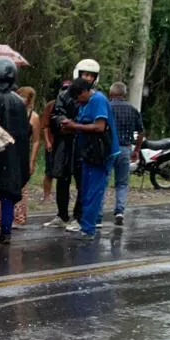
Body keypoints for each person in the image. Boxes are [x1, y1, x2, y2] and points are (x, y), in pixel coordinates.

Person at [59, 76, 119, 239]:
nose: (77, 102)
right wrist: (70, 126)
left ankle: (88, 228)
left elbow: (99, 127)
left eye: (78, 97)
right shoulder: (84, 103)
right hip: (88, 152)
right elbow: (82, 123)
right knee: (85, 189)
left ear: (85, 91)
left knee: (93, 190)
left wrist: (75, 126)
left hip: (100, 153)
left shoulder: (98, 100)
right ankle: (87, 222)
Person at [45, 58, 100, 232]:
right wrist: (63, 122)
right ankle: (62, 215)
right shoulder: (64, 94)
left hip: (84, 143)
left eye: (91, 75)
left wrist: (77, 125)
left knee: (82, 181)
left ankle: (78, 216)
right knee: (62, 179)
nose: (88, 78)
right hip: (65, 142)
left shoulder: (95, 97)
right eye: (85, 74)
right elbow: (55, 115)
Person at [0, 60, 32, 245]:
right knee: (7, 193)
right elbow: (23, 134)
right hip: (10, 154)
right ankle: (6, 232)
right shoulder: (19, 102)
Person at [108, 81, 144, 225]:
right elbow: (141, 132)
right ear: (124, 94)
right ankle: (120, 211)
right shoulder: (132, 110)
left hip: (109, 149)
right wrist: (136, 150)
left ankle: (97, 216)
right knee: (122, 183)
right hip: (125, 149)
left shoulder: (107, 107)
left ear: (111, 93)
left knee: (103, 181)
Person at [14, 86, 41, 227]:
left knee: (22, 186)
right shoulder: (12, 112)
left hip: (23, 153)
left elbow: (36, 140)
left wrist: (32, 160)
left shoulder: (33, 117)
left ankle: (19, 216)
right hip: (9, 151)